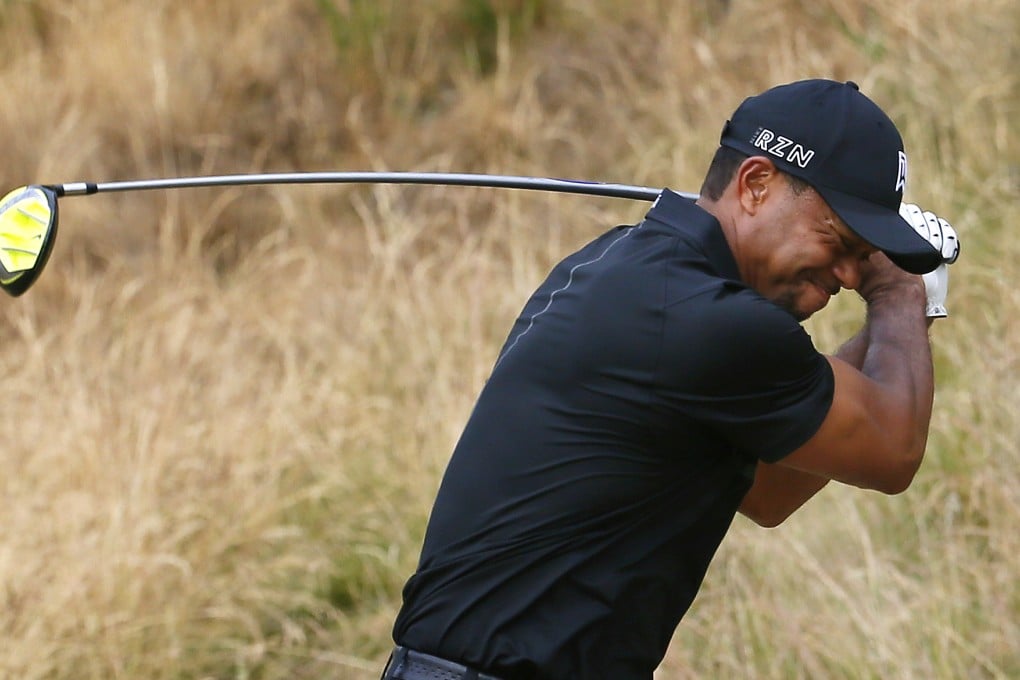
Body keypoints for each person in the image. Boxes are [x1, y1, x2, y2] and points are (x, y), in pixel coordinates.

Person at [381, 79, 960, 680]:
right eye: (841, 242)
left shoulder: (621, 268)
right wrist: (899, 289)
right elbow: (893, 451)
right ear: (756, 185)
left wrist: (907, 310)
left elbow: (771, 493)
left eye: (861, 255)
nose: (846, 274)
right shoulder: (709, 320)